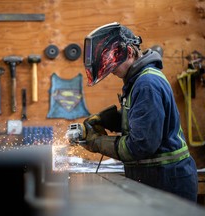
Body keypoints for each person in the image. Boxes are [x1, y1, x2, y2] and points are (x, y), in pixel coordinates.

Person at [81, 22, 198, 202]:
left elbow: (141, 145)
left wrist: (97, 143)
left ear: (129, 52)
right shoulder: (139, 80)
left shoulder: (146, 84)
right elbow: (142, 120)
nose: (112, 73)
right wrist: (108, 121)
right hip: (159, 178)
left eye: (113, 68)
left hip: (167, 182)